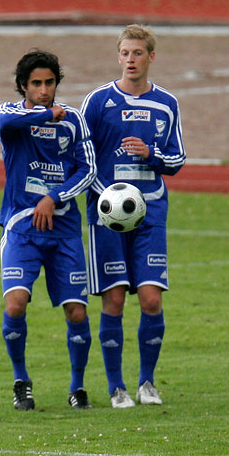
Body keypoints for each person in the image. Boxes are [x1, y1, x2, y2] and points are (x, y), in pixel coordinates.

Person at [80, 24, 186, 408]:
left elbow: (177, 159)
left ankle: (147, 383)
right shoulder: (98, 102)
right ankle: (116, 387)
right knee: (113, 302)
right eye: (124, 53)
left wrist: (150, 154)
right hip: (107, 216)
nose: (130, 60)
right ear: (118, 56)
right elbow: (83, 158)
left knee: (151, 300)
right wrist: (104, 197)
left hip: (151, 212)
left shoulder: (166, 104)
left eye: (138, 53)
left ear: (151, 57)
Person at [0, 49, 97, 410]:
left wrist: (53, 197)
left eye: (49, 82)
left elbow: (87, 170)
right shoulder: (11, 113)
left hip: (64, 230)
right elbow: (5, 125)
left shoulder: (74, 121)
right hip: (22, 228)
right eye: (36, 83)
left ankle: (77, 387)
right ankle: (21, 381)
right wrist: (42, 114)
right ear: (23, 85)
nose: (43, 89)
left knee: (77, 312)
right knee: (16, 303)